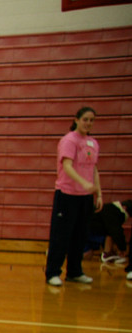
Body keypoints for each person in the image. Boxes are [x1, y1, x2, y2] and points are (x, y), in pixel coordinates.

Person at [45, 106, 102, 287]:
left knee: (80, 235)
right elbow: (67, 166)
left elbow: (93, 169)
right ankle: (53, 272)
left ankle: (75, 272)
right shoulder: (69, 141)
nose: (88, 123)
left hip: (84, 198)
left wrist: (98, 193)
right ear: (76, 120)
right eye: (85, 119)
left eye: (92, 120)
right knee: (61, 235)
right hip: (67, 195)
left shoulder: (93, 143)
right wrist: (83, 183)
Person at [89, 198, 129, 265]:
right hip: (87, 233)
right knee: (112, 233)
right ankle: (107, 253)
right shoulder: (113, 212)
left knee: (87, 254)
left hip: (88, 231)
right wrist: (123, 249)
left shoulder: (109, 208)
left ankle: (108, 253)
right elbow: (116, 231)